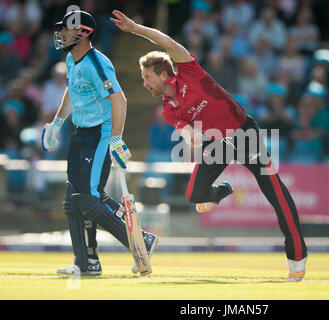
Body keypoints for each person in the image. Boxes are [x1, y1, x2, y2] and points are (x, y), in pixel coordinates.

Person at [110, 9, 308, 282]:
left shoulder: (189, 71)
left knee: (275, 193)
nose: (144, 84)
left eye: (148, 77)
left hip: (245, 134)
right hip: (221, 142)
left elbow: (166, 42)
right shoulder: (168, 111)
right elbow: (190, 135)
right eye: (143, 79)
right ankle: (220, 191)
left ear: (165, 74)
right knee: (195, 195)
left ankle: (297, 257)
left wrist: (136, 29)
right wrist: (193, 136)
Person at [41, 10, 158, 276]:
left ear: (83, 33)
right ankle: (86, 262)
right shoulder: (71, 59)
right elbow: (72, 91)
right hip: (80, 133)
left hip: (99, 134)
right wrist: (57, 123)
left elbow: (119, 100)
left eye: (66, 29)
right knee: (73, 200)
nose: (61, 33)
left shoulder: (97, 62)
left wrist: (116, 137)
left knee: (87, 198)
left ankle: (139, 242)